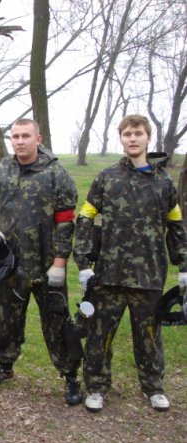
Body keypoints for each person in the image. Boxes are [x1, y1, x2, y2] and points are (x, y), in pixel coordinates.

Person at [73, 114, 187, 413]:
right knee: (100, 335)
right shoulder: (107, 178)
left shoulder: (164, 182)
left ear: (148, 138)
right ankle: (96, 387)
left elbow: (176, 225)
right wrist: (83, 262)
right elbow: (85, 218)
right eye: (127, 134)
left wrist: (184, 265)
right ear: (121, 139)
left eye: (138, 133)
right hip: (108, 274)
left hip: (149, 275)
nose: (133, 138)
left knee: (149, 336)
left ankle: (154, 387)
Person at [0, 118, 83, 405]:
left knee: (56, 322)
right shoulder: (2, 170)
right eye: (15, 136)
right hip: (11, 265)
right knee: (7, 321)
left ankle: (70, 375)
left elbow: (65, 222)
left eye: (26, 136)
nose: (20, 141)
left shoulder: (55, 173)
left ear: (38, 139)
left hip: (47, 265)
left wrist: (59, 263)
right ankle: (4, 366)